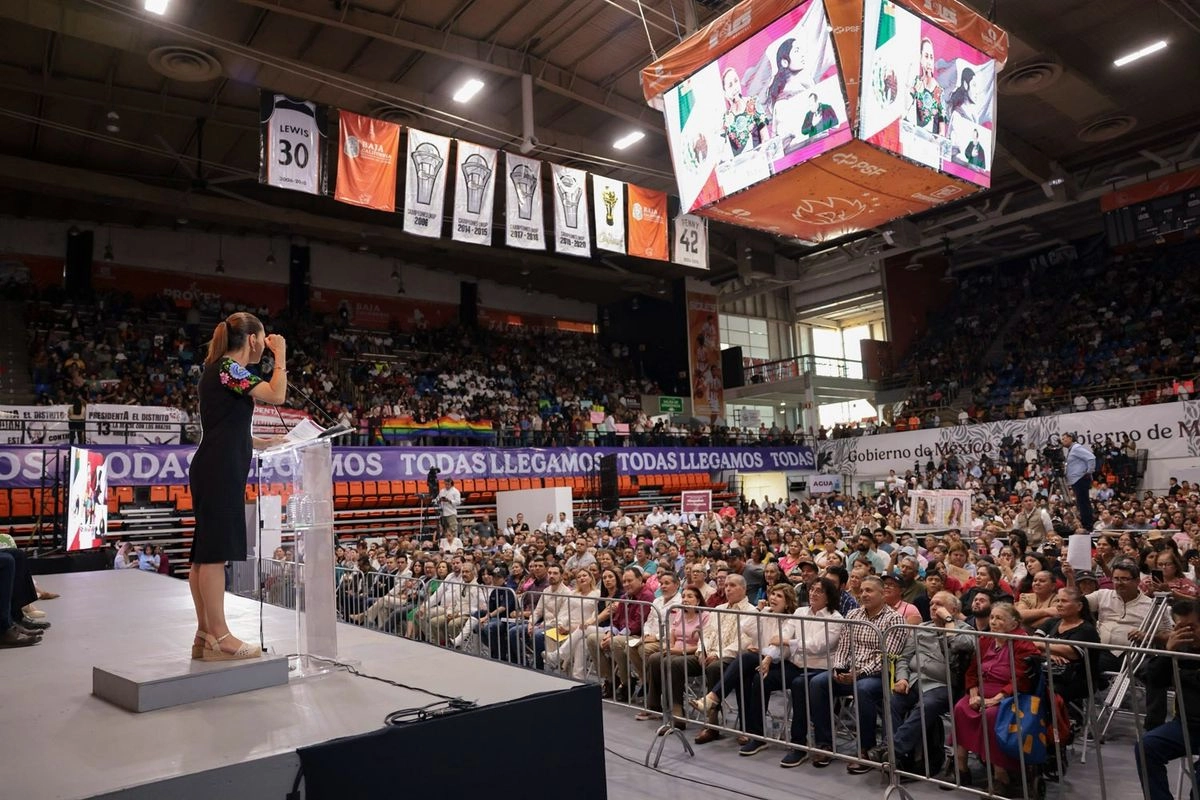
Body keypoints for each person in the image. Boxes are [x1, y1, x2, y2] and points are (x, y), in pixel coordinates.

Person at [187, 313, 287, 662]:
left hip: (213, 465)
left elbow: (227, 428)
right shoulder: (229, 368)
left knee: (203, 555)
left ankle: (204, 634)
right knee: (213, 556)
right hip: (220, 469)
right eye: (264, 339)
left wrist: (263, 443)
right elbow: (277, 394)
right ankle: (221, 637)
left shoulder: (217, 370)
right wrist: (281, 355)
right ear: (254, 340)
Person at [797, 576, 907, 770]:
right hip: (849, 671)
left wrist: (860, 673)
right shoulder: (854, 614)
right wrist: (839, 668)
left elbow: (887, 656)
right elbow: (843, 648)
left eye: (869, 590)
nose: (864, 594)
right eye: (862, 590)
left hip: (878, 675)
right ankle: (825, 744)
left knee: (862, 688)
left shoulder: (895, 619)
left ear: (883, 594)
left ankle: (866, 749)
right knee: (818, 683)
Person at [739, 578, 843, 759]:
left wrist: (788, 642)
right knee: (761, 678)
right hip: (795, 665)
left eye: (819, 591)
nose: (813, 593)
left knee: (798, 685)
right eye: (812, 589)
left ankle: (798, 744)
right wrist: (768, 658)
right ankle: (757, 735)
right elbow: (783, 635)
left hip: (819, 668)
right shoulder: (801, 612)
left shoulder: (835, 618)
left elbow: (818, 645)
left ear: (828, 597)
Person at [948, 603, 1040, 791]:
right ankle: (961, 768)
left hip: (1011, 695)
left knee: (991, 716)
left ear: (1014, 623)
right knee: (961, 708)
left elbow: (1020, 678)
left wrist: (995, 699)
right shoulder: (985, 640)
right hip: (982, 691)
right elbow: (972, 671)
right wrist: (973, 694)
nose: (993, 622)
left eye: (999, 618)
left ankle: (1001, 776)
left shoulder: (1023, 643)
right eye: (992, 618)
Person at [885, 591, 973, 774]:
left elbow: (961, 646)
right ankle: (899, 757)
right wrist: (902, 677)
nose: (933, 607)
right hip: (914, 679)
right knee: (893, 701)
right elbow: (904, 658)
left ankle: (893, 751)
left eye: (939, 604)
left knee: (927, 705)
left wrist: (948, 621)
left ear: (953, 610)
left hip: (942, 684)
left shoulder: (965, 629)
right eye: (932, 603)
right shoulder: (921, 628)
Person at [1135, 598, 1200, 800]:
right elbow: (1154, 680)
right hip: (1186, 725)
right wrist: (1167, 653)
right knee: (1146, 748)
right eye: (1180, 628)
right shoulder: (1178, 649)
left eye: (1192, 627)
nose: (1187, 633)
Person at [720, 67, 770, 157]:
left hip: (760, 159)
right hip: (740, 164)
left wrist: (758, 156)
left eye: (736, 81)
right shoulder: (726, 118)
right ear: (725, 93)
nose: (735, 87)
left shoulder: (752, 103)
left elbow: (765, 138)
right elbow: (722, 149)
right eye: (730, 85)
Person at [907, 37, 946, 135]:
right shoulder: (915, 82)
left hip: (930, 139)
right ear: (920, 58)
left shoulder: (939, 91)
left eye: (931, 57)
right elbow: (906, 108)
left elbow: (942, 124)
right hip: (912, 134)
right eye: (926, 56)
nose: (929, 61)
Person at [1060, 432, 1097, 531]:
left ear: (1070, 438)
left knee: (1083, 503)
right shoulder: (1071, 450)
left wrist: (1089, 471)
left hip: (1080, 478)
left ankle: (1088, 525)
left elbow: (1091, 457)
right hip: (1076, 480)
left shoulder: (1076, 448)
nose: (1062, 441)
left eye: (1064, 438)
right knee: (1081, 503)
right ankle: (1086, 523)